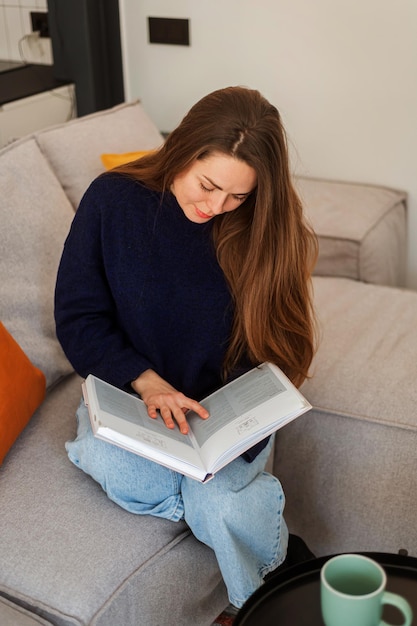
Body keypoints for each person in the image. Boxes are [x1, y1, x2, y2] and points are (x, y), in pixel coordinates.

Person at [54, 85, 318, 609]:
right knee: (116, 466)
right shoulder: (112, 200)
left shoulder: (261, 226)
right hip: (134, 396)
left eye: (238, 196)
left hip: (222, 413)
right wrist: (147, 382)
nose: (217, 206)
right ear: (182, 149)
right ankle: (257, 528)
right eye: (208, 185)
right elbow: (79, 317)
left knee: (222, 504)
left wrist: (229, 418)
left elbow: (284, 344)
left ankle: (263, 604)